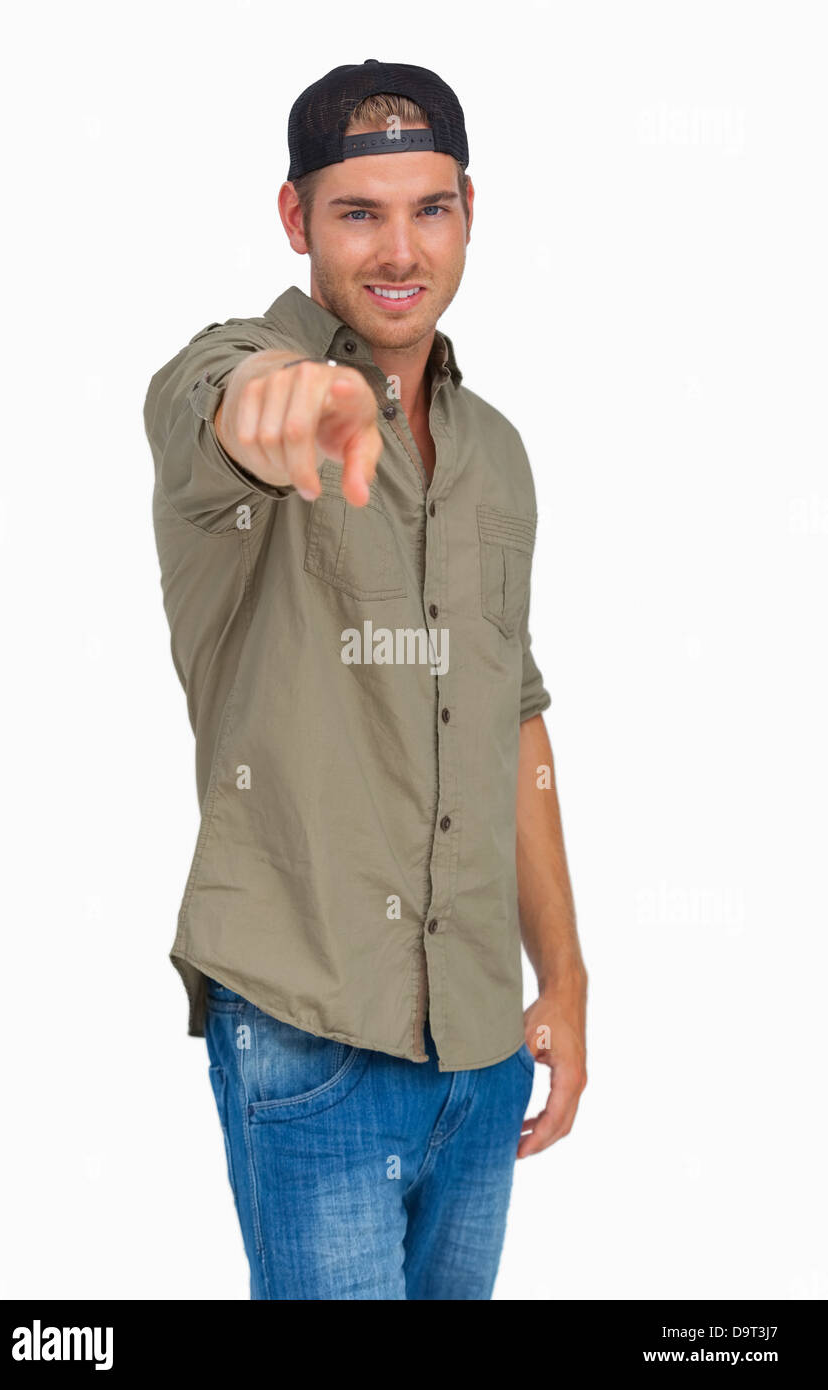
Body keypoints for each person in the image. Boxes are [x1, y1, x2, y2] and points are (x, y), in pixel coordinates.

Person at [143, 58, 587, 1300]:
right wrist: (275, 407)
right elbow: (218, 401)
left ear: (465, 210)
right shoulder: (233, 371)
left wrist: (563, 974)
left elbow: (513, 713)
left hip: (479, 1047)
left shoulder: (494, 453)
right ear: (295, 219)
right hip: (308, 1031)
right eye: (356, 212)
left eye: (427, 208)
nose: (399, 249)